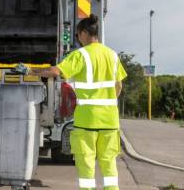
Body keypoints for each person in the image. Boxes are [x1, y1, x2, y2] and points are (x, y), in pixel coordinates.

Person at [13, 14, 127, 190]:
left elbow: (55, 72)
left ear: (83, 33)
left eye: (77, 35)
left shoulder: (80, 55)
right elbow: (119, 86)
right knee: (108, 163)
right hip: (110, 120)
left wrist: (30, 70)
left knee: (86, 163)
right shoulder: (112, 55)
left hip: (87, 121)